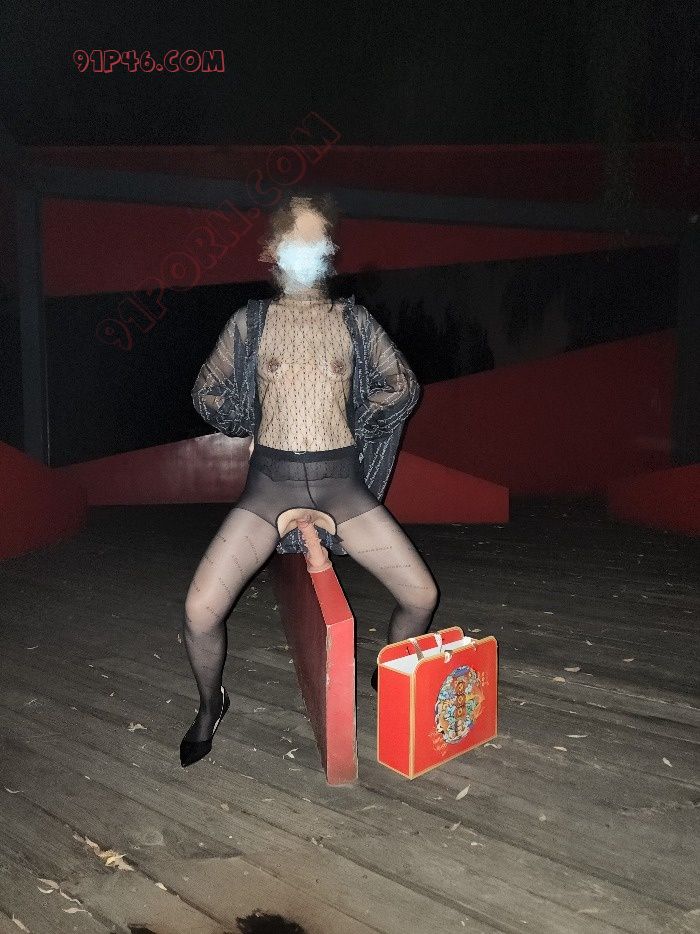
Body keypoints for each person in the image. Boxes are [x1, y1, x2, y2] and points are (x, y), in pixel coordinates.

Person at [180, 192, 439, 767]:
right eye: (296, 239)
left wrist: (356, 425)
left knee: (421, 596)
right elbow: (207, 391)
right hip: (268, 487)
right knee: (199, 613)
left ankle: (388, 670)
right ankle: (210, 705)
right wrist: (248, 419)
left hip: (341, 486)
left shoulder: (354, 320)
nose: (308, 249)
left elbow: (402, 385)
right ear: (272, 250)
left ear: (330, 251)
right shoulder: (250, 322)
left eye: (318, 239)